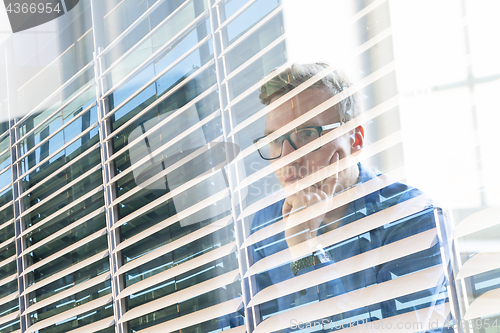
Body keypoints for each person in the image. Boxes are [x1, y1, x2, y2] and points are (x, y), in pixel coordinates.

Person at [249, 63, 453, 332]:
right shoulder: (266, 223)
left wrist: (304, 251)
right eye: (274, 140)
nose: (287, 157)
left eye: (308, 133)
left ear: (355, 140)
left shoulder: (414, 218)